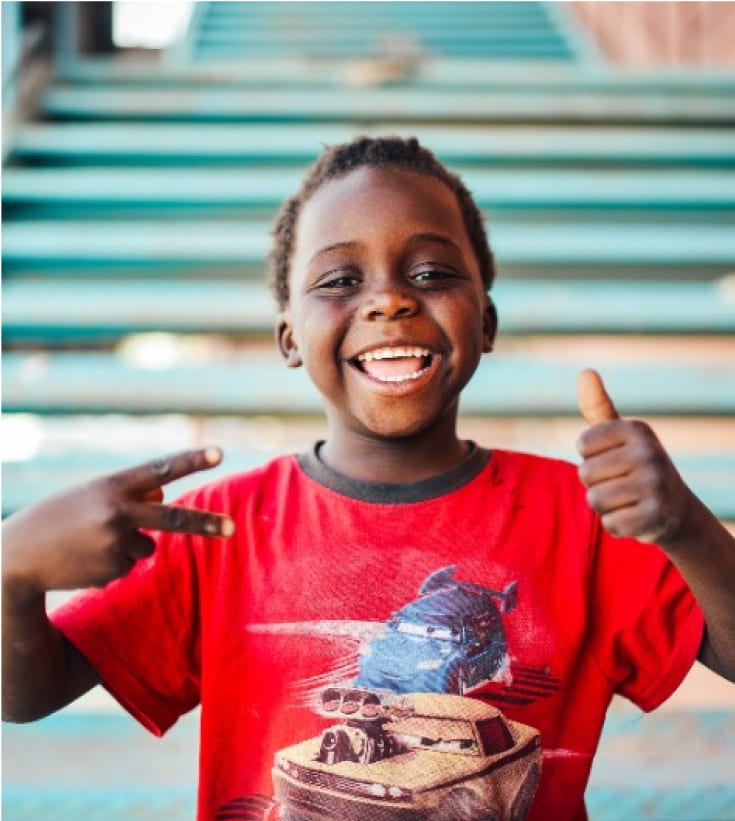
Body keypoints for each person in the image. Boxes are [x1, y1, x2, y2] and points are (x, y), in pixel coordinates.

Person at [3, 136, 734, 821]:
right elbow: (25, 693)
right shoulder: (220, 526)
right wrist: (12, 567)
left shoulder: (580, 518)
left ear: (484, 321)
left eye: (431, 272)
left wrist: (686, 528)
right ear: (290, 337)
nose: (389, 300)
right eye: (340, 279)